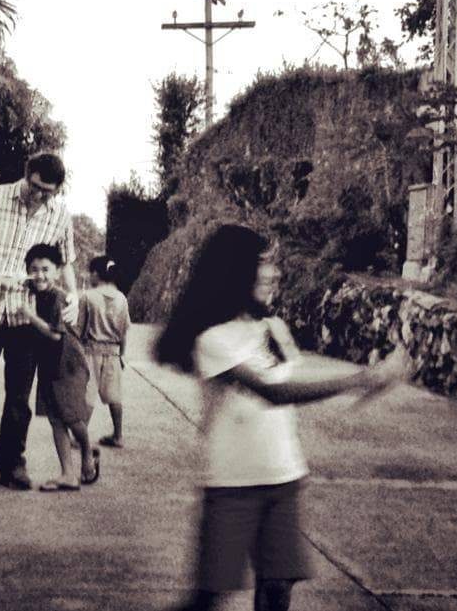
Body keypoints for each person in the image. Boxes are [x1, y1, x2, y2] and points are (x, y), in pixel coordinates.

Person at [155, 224, 409, 611]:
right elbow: (273, 393)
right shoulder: (213, 339)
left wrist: (372, 387)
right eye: (265, 263)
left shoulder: (272, 328)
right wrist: (360, 379)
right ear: (235, 270)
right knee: (208, 598)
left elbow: (301, 388)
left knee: (277, 587)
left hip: (284, 476)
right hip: (232, 483)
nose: (275, 273)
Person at [0, 152, 78, 492]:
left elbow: (66, 262)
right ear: (26, 175)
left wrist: (74, 297)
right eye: (35, 187)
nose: (40, 196)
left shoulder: (59, 217)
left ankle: (11, 462)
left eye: (48, 192)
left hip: (27, 315)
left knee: (19, 395)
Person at [21, 243, 100, 492]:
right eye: (34, 269)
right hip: (48, 364)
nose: (40, 275)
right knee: (56, 421)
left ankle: (88, 453)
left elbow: (55, 335)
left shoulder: (58, 298)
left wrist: (30, 316)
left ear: (57, 272)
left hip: (68, 366)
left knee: (73, 418)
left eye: (46, 269)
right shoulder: (32, 293)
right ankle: (67, 474)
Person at [82, 255, 131, 448]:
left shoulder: (88, 297)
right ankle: (118, 435)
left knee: (88, 393)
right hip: (114, 352)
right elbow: (124, 331)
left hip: (91, 352)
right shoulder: (122, 298)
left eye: (90, 273)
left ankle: (81, 435)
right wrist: (122, 355)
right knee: (114, 395)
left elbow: (80, 329)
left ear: (96, 273)